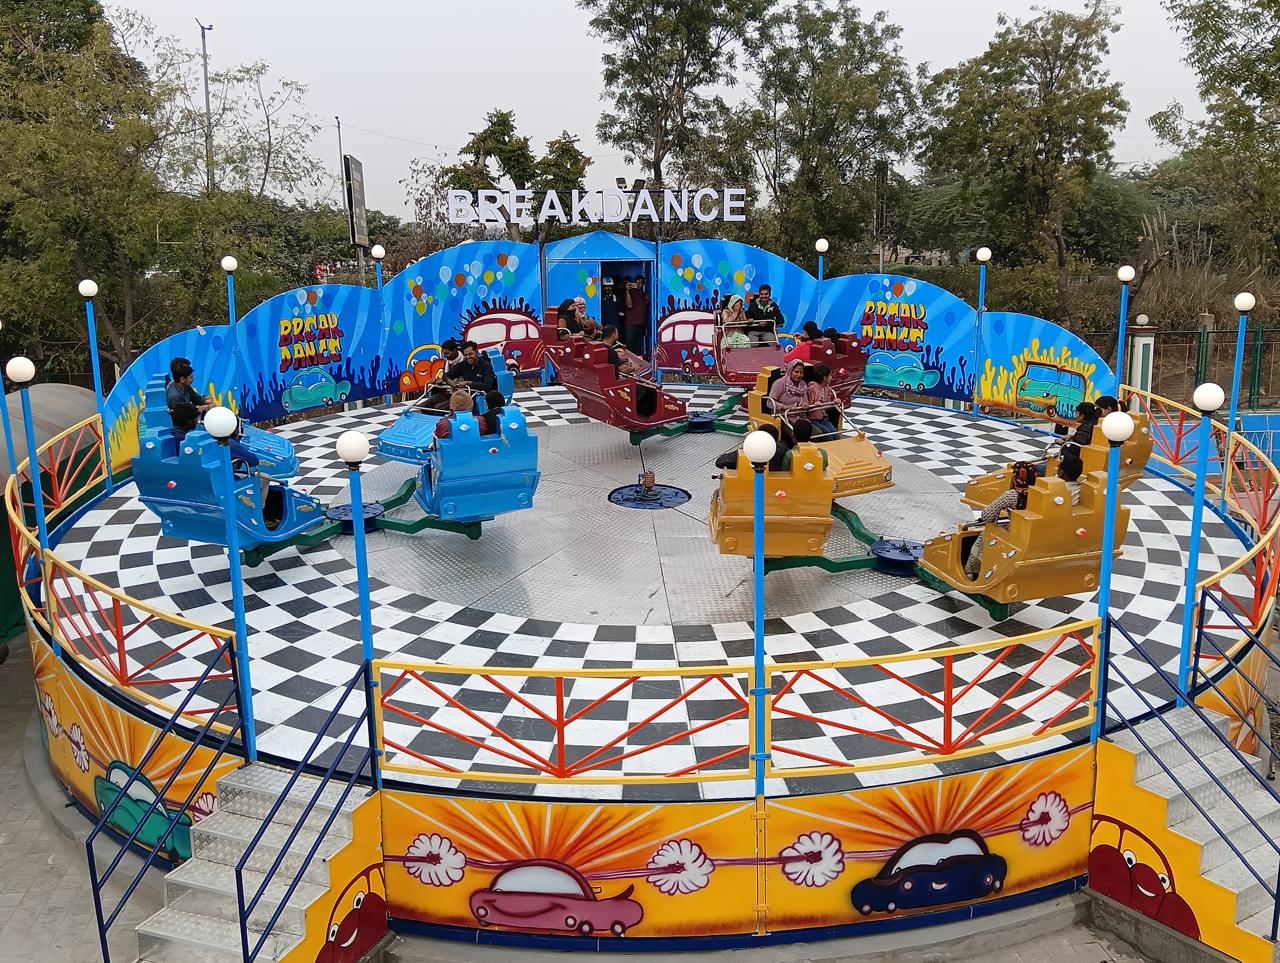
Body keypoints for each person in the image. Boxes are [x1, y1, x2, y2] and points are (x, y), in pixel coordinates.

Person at [171, 402, 270, 505]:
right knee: (264, 478)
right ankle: (258, 513)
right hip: (218, 484)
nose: (198, 421)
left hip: (187, 482)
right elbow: (253, 461)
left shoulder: (173, 437)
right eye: (196, 418)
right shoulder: (224, 443)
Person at [805, 364, 840, 438]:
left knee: (834, 432)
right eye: (830, 375)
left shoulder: (826, 387)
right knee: (826, 433)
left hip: (823, 417)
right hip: (812, 419)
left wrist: (834, 402)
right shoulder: (812, 389)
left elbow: (827, 402)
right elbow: (807, 408)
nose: (832, 377)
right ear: (825, 378)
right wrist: (815, 405)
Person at [623, 276, 649, 356]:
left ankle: (638, 362)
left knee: (638, 345)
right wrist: (627, 290)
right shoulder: (631, 292)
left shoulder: (645, 294)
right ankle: (630, 361)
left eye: (640, 283)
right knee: (629, 344)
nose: (638, 285)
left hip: (641, 323)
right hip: (631, 323)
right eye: (636, 283)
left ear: (643, 283)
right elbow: (629, 305)